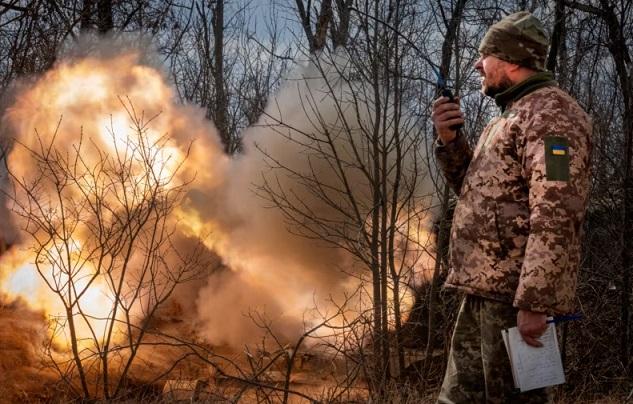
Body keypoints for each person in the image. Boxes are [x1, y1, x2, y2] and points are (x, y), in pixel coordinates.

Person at [431, 11, 592, 403]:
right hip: (484, 292)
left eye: (485, 55)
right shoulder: (509, 117)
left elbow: (557, 211)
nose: (477, 63)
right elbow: (480, 193)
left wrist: (535, 302)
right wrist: (450, 142)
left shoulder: (553, 117)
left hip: (514, 300)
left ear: (512, 60)